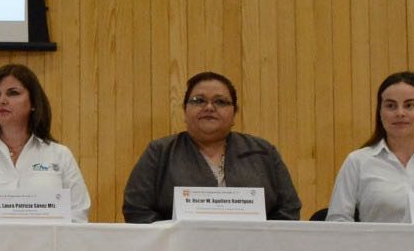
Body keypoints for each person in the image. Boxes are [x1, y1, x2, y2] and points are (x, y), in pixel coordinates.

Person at [123, 71, 301, 222]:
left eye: (221, 102)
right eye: (198, 100)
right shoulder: (160, 152)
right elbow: (136, 209)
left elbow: (289, 209)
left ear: (234, 113)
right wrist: (175, 238)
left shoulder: (263, 152)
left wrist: (264, 241)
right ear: (185, 111)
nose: (209, 107)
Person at [0, 64, 90, 222]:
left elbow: (78, 214)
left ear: (33, 102)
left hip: (46, 246)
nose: (2, 100)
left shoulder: (60, 155)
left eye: (13, 93)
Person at [326, 70, 414, 222]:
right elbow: (337, 220)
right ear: (380, 113)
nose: (400, 113)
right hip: (376, 246)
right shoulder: (358, 161)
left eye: (409, 105)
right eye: (391, 106)